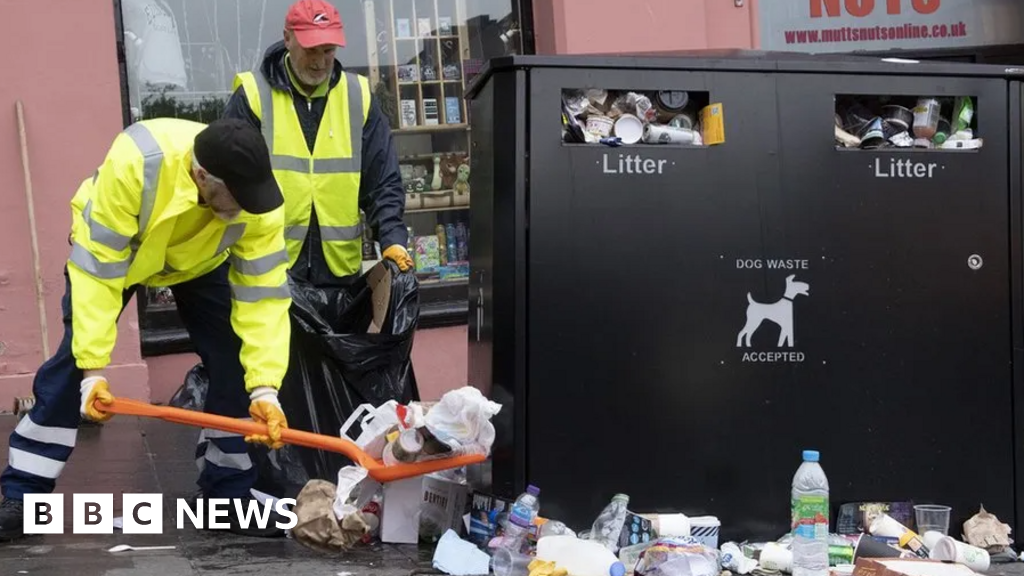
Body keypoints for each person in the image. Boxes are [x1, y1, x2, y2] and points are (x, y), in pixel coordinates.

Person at [0, 118, 294, 541]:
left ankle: (227, 499)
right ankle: (24, 496)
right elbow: (99, 276)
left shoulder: (257, 198)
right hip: (117, 258)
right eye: (237, 198)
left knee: (235, 364)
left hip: (198, 262)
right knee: (70, 366)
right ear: (201, 176)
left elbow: (263, 298)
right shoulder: (137, 162)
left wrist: (265, 387)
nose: (248, 206)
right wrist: (93, 371)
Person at [221, 0, 414, 286]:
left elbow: (383, 181)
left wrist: (393, 239)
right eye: (311, 50)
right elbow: (225, 182)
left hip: (339, 273)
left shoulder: (357, 97)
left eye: (328, 51)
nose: (320, 62)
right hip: (269, 269)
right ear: (287, 38)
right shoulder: (252, 96)